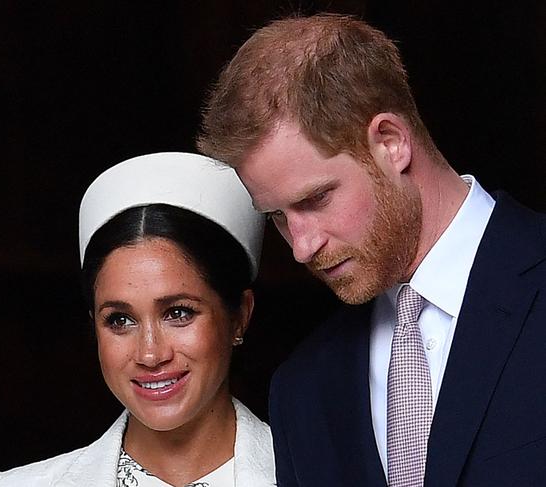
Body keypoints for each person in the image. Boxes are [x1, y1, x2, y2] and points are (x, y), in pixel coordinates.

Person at [196, 13, 546, 487]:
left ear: (391, 142)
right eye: (277, 216)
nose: (301, 247)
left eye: (315, 199)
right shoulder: (302, 390)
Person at [0, 152, 275, 486]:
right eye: (120, 320)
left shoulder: (323, 473)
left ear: (240, 315)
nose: (150, 355)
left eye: (178, 313)